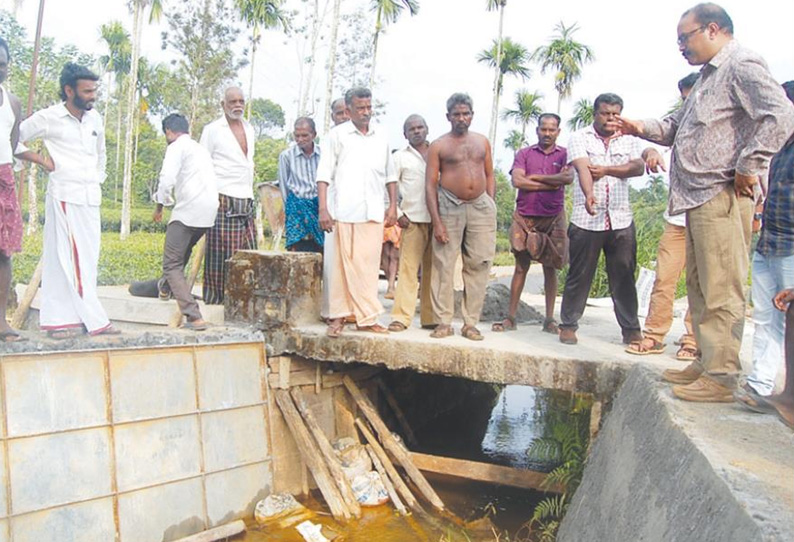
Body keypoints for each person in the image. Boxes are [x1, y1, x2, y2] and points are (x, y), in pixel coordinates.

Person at [618, 3, 794, 402]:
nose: (681, 46)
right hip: (697, 197)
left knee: (721, 287)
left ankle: (721, 375)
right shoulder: (707, 79)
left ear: (713, 29)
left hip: (722, 194)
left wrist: (750, 165)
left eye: (686, 37)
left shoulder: (742, 65)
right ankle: (705, 362)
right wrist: (638, 127)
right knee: (699, 285)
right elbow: (674, 128)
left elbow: (782, 115)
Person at [16, 63, 119, 338]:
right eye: (87, 91)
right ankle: (95, 321)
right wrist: (41, 160)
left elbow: (101, 154)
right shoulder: (49, 117)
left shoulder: (95, 118)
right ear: (69, 90)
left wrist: (98, 178)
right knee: (72, 257)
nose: (92, 96)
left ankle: (60, 321)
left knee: (83, 258)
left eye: (94, 90)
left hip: (90, 198)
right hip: (64, 194)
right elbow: (12, 139)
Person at [559, 93, 662, 346]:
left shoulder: (628, 139)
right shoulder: (579, 137)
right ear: (595, 113)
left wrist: (605, 170)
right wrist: (589, 194)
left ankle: (630, 330)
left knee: (624, 275)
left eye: (615, 114)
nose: (610, 119)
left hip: (620, 218)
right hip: (587, 219)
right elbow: (583, 168)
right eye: (605, 113)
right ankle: (568, 325)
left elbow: (637, 168)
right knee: (580, 275)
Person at [626, 73, 701, 360]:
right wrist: (651, 151)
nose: (688, 102)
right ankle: (654, 335)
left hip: (705, 216)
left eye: (691, 96)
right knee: (664, 280)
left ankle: (692, 340)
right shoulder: (678, 126)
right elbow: (653, 143)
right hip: (677, 220)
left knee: (700, 283)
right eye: (684, 99)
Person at [317, 87, 398, 337]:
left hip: (373, 212)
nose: (365, 113)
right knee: (340, 268)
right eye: (360, 108)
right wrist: (323, 209)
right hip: (343, 211)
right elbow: (323, 174)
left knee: (368, 268)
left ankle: (367, 318)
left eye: (368, 107)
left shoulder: (381, 136)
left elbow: (390, 174)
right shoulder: (336, 136)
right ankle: (338, 318)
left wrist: (393, 205)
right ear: (349, 110)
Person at [734, 81, 794, 406]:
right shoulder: (779, 151)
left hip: (792, 249)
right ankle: (760, 384)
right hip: (769, 243)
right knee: (766, 318)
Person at [491, 113, 573, 335]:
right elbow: (518, 180)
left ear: (558, 131)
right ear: (537, 130)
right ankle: (511, 317)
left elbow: (567, 179)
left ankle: (549, 319)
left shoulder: (566, 154)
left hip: (553, 216)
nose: (547, 133)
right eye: (543, 129)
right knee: (520, 266)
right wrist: (551, 182)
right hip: (525, 215)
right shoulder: (524, 153)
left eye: (552, 129)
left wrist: (534, 178)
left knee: (550, 267)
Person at [426, 93, 496, 341]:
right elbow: (430, 184)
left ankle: (470, 323)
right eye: (456, 114)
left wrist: (490, 204)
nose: (461, 118)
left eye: (466, 113)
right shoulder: (439, 145)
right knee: (444, 264)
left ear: (472, 115)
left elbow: (489, 174)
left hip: (480, 207)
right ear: (448, 117)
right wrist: (437, 222)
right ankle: (444, 321)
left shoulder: (481, 142)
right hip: (449, 205)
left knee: (478, 264)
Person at [152, 113, 218, 331]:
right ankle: (165, 287)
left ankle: (193, 315)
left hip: (188, 210)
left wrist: (161, 205)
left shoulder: (175, 147)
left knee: (171, 264)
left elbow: (166, 179)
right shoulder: (201, 149)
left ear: (169, 132)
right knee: (181, 255)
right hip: (208, 213)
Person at [200, 86, 256, 305]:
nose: (237, 105)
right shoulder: (212, 130)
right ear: (223, 104)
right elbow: (202, 165)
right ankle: (216, 300)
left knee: (248, 253)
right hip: (222, 196)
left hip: (246, 196)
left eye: (241, 101)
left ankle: (242, 300)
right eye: (232, 102)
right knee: (219, 253)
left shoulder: (249, 128)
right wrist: (209, 198)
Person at [387, 114, 436, 331]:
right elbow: (387, 187)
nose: (416, 131)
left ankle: (430, 317)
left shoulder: (439, 152)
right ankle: (401, 317)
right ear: (404, 134)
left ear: (427, 129)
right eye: (411, 129)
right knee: (407, 270)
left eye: (420, 127)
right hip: (412, 220)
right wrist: (398, 213)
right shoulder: (399, 157)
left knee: (433, 271)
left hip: (438, 221)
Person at [0, 37, 25, 343]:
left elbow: (13, 142)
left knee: (3, 253)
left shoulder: (13, 103)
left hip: (3, 177)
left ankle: (1, 322)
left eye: (3, 65)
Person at [321, 97, 351, 321]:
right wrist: (325, 209)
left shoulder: (359, 139)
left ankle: (352, 311)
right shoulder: (330, 139)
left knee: (354, 262)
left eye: (346, 112)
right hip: (334, 206)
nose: (344, 117)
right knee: (332, 262)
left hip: (357, 211)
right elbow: (324, 176)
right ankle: (332, 311)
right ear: (333, 116)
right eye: (339, 113)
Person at [278, 117, 323, 253]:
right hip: (296, 207)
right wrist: (291, 208)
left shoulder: (324, 154)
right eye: (297, 136)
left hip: (319, 207)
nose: (300, 139)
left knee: (322, 247)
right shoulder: (286, 156)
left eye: (305, 135)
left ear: (314, 135)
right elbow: (283, 185)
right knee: (295, 247)